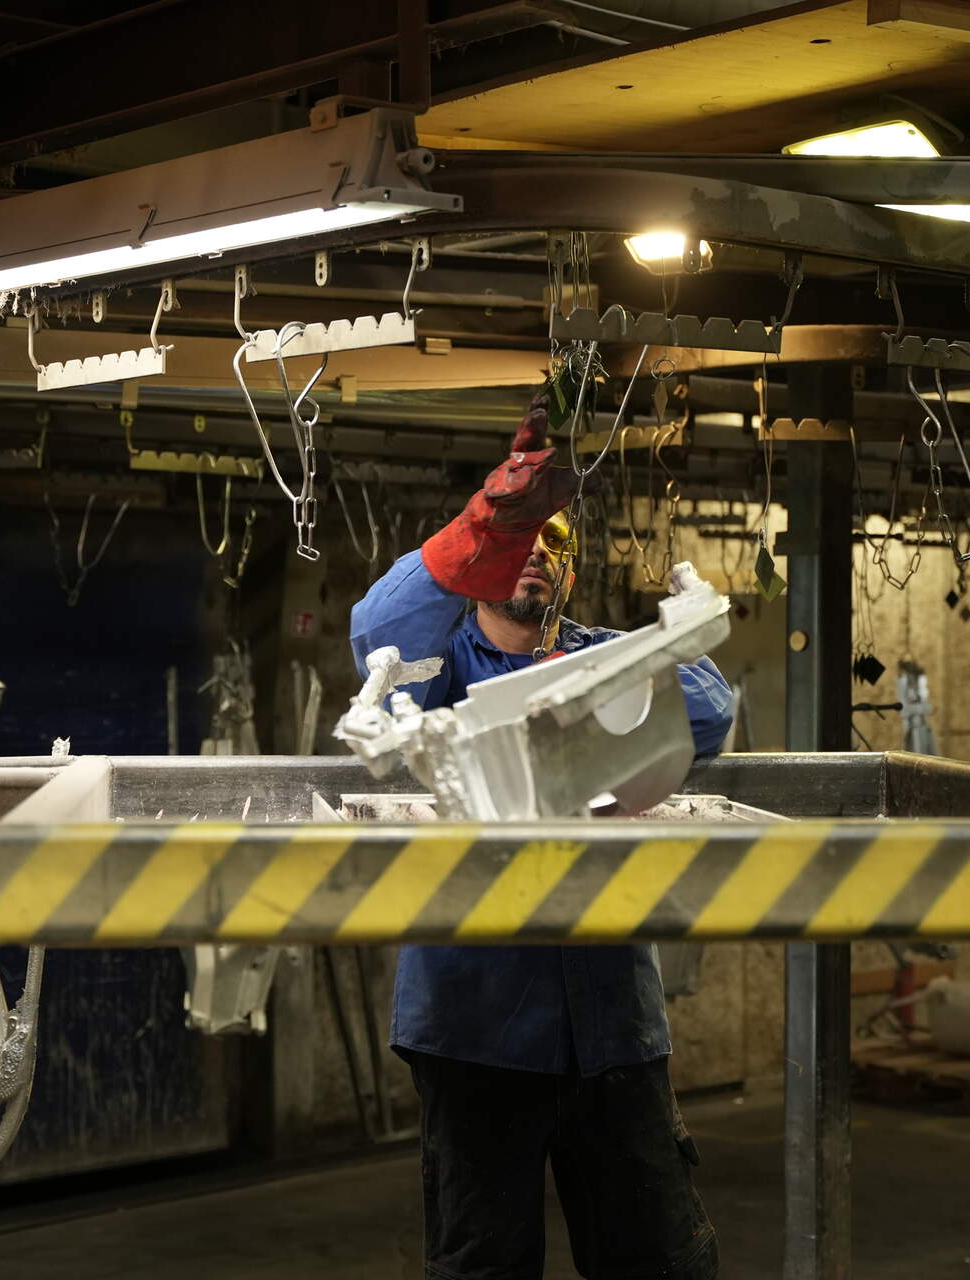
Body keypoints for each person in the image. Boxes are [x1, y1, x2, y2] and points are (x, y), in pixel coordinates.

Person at [349, 389, 735, 1280]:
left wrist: (632, 660)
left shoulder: (601, 656)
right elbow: (376, 634)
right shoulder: (438, 673)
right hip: (476, 1026)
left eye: (550, 543)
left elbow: (710, 714)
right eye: (519, 544)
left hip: (614, 1026)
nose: (534, 556)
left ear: (571, 570)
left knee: (659, 1262)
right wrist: (480, 532)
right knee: (485, 1264)